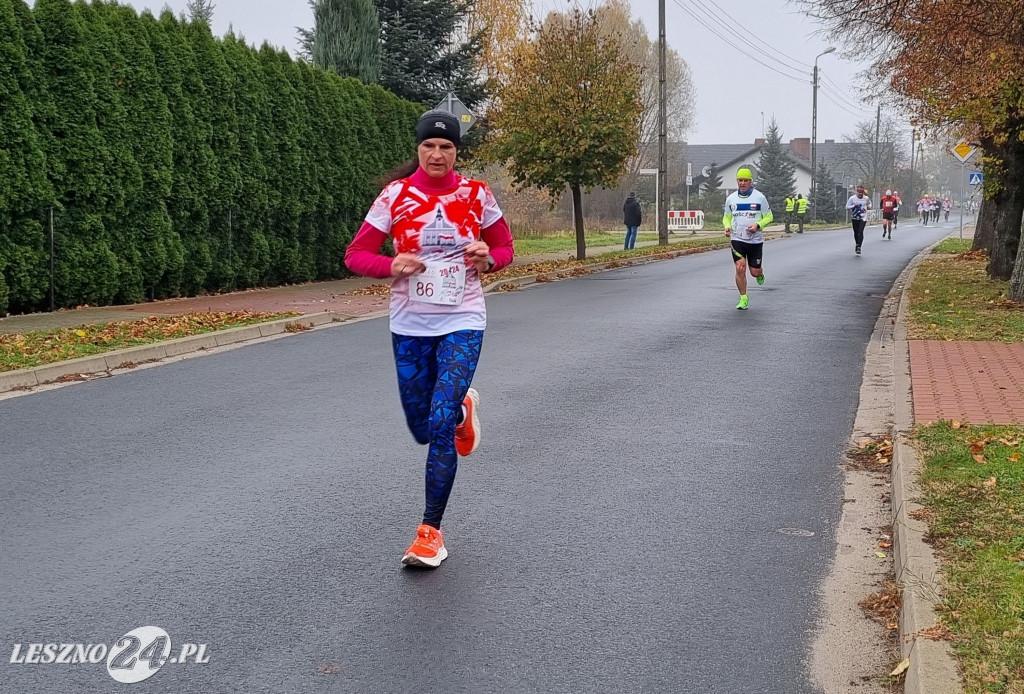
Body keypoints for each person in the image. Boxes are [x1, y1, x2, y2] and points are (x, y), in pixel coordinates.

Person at [344, 110, 515, 568]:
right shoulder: (395, 196)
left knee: (438, 424)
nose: (437, 154)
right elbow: (356, 255)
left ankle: (430, 533)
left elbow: (505, 248)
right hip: (410, 323)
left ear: (457, 152)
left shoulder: (476, 194)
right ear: (418, 149)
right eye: (429, 146)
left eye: (447, 147)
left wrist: (487, 258)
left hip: (463, 318)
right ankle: (463, 409)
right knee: (423, 427)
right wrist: (391, 264)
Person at [723, 166, 772, 309]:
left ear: (750, 181)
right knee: (740, 268)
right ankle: (743, 298)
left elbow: (769, 216)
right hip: (737, 238)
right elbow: (726, 217)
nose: (742, 183)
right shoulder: (731, 199)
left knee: (754, 271)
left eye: (745, 180)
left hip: (755, 240)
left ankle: (760, 273)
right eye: (740, 180)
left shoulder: (759, 197)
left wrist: (758, 224)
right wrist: (726, 227)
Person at [845, 185, 871, 255]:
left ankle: (859, 246)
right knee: (856, 233)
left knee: (860, 231)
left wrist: (869, 206)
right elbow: (847, 207)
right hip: (855, 217)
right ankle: (857, 244)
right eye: (859, 192)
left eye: (861, 192)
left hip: (863, 217)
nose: (860, 194)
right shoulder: (852, 198)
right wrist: (854, 206)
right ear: (856, 192)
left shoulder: (866, 198)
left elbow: (869, 203)